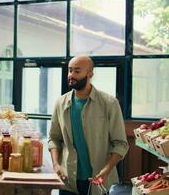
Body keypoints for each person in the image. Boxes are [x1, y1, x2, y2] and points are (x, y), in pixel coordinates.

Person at [48, 55, 129, 195]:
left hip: (99, 182)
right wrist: (55, 165)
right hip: (68, 181)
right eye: (70, 70)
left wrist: (106, 171)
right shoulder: (60, 103)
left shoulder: (109, 104)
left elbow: (121, 144)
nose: (71, 75)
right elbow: (54, 138)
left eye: (77, 71)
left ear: (90, 74)